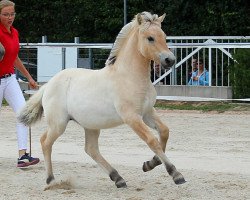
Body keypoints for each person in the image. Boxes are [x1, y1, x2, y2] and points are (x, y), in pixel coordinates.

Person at [0, 0, 39, 168]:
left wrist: (29, 77)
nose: (10, 17)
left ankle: (23, 156)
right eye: (5, 14)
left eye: (12, 14)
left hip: (10, 79)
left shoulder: (14, 32)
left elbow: (14, 57)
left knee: (24, 113)